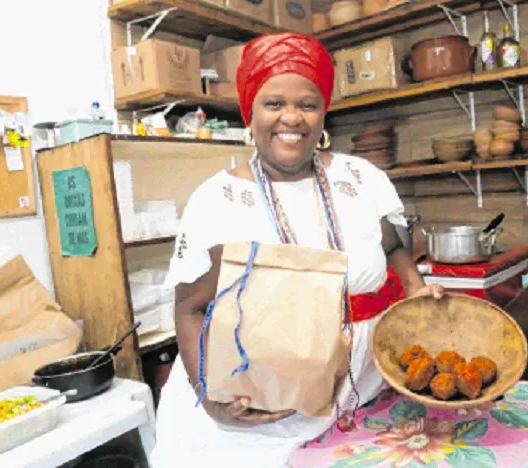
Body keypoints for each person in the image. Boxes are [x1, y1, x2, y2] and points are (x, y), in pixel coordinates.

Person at [152, 32, 444, 467]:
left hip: (353, 398)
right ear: (250, 112)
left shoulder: (361, 180)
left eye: (307, 104)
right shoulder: (217, 202)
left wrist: (416, 288)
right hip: (251, 420)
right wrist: (208, 396)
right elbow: (191, 310)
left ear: (324, 112)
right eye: (274, 104)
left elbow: (392, 245)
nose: (292, 117)